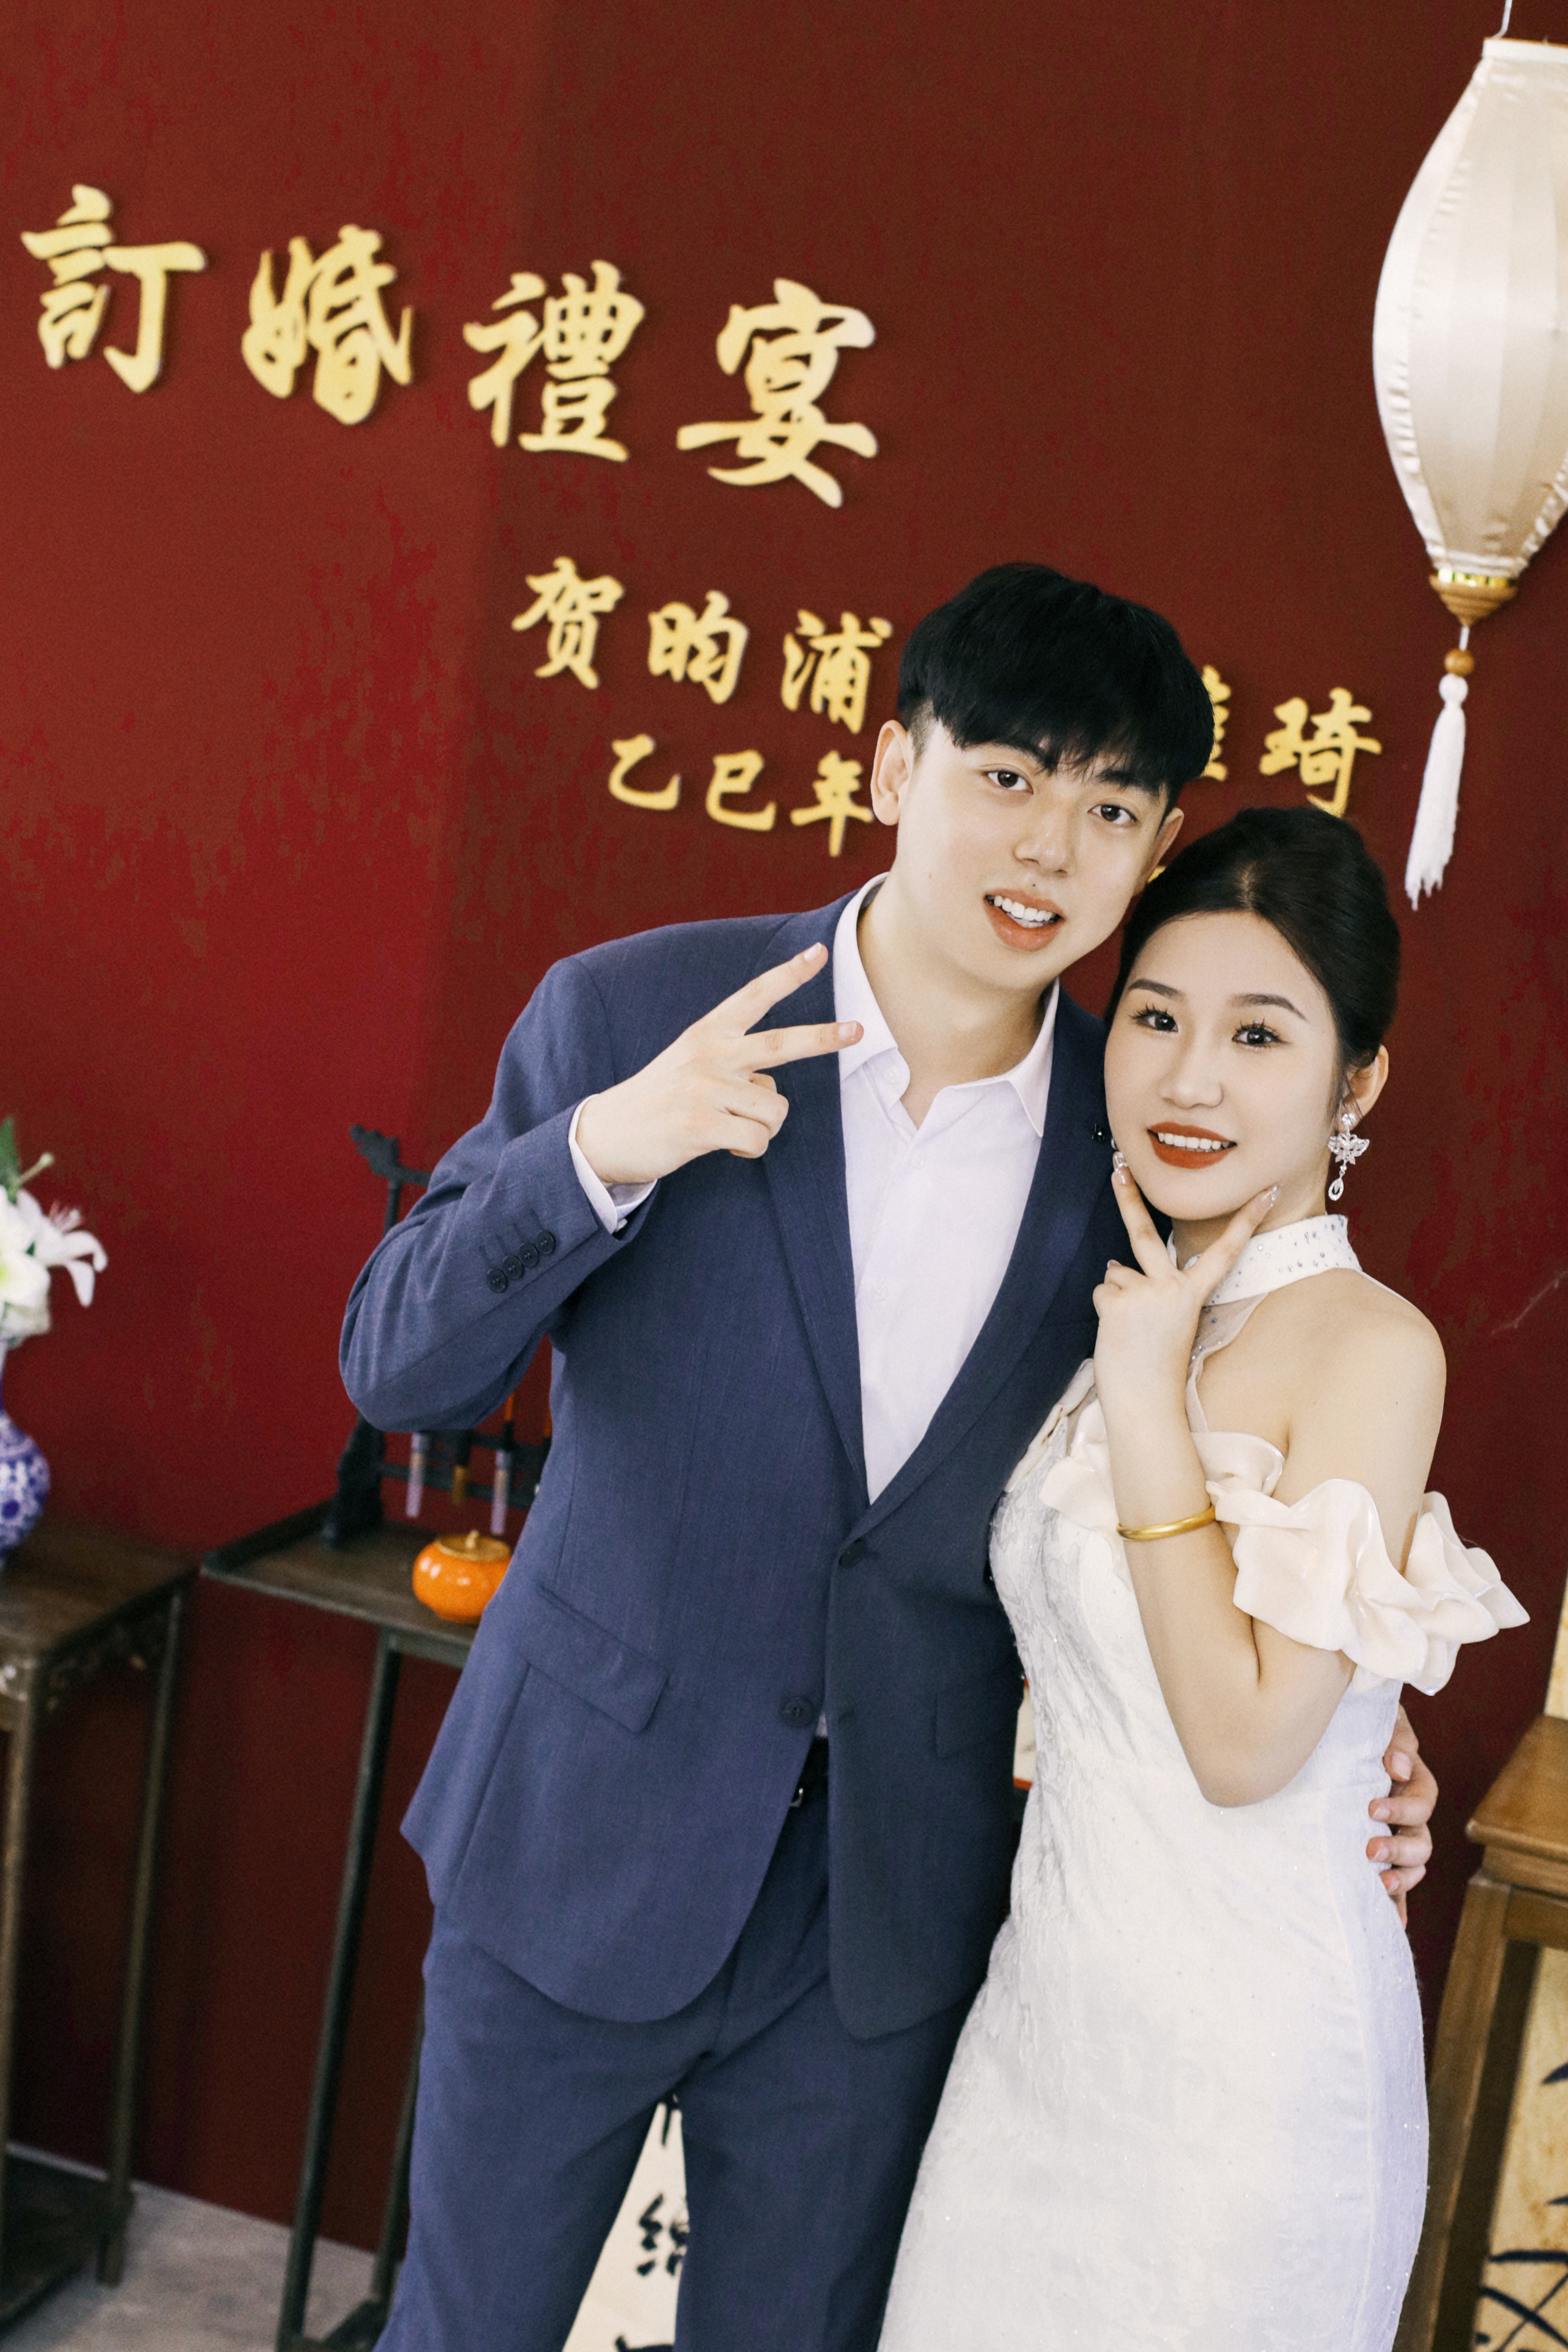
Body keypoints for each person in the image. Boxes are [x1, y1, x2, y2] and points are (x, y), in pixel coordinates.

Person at [339, 571, 1438, 2352]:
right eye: (1007, 776)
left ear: (1155, 845)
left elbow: (1226, 1508)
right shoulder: (638, 1013)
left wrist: (1360, 1737)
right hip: (580, 1841)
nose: (1049, 846)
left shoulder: (1139, 1149)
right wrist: (605, 1150)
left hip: (887, 1927)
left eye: (1110, 809)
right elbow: (399, 1366)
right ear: (892, 767)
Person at [878, 804, 1526, 2352]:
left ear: (1356, 1081)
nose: (1191, 1079)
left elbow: (1243, 1748)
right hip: (1043, 2036)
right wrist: (1375, 1729)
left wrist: (1151, 1403)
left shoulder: (1371, 1346)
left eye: (1259, 1034)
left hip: (1248, 2091)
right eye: (1158, 1017)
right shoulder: (1130, 1300)